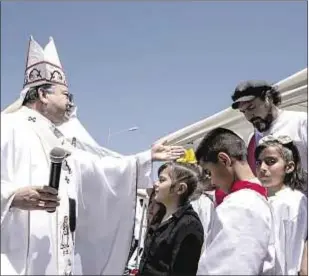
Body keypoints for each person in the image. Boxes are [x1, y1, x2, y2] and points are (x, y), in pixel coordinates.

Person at [1, 36, 185, 275]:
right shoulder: (7, 126)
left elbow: (95, 168)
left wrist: (144, 158)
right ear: (43, 95)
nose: (70, 103)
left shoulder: (58, 138)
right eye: (67, 95)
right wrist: (12, 197)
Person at [195, 127, 279, 275]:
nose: (212, 181)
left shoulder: (240, 205)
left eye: (209, 172)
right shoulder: (256, 199)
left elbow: (230, 269)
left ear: (224, 160)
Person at [138, 162, 204, 276]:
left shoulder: (189, 225)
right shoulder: (160, 215)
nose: (156, 184)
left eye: (162, 180)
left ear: (180, 188)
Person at [231, 80, 307, 177]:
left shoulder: (301, 121)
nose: (249, 116)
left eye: (251, 107)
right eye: (243, 112)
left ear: (268, 98)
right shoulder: (255, 138)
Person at [255, 135, 308, 275]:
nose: (262, 168)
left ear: (289, 167)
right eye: (258, 162)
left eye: (270, 161)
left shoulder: (294, 201)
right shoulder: (257, 199)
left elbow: (292, 251)